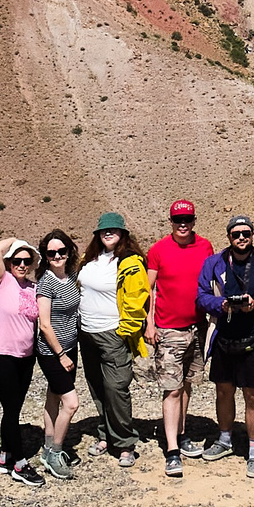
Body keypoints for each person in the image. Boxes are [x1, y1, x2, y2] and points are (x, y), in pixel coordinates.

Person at [196, 214, 254, 477]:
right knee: (223, 392)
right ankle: (224, 439)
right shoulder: (214, 264)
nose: (241, 238)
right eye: (236, 234)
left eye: (246, 233)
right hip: (223, 337)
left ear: (252, 235)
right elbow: (201, 296)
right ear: (229, 237)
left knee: (253, 397)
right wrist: (219, 304)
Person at [143, 200, 214, 477]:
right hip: (169, 329)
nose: (182, 224)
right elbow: (148, 290)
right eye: (177, 219)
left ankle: (182, 435)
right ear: (170, 221)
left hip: (197, 327)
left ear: (194, 220)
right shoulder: (158, 250)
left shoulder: (205, 246)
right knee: (171, 388)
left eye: (187, 219)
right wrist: (149, 324)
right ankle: (172, 450)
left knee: (186, 385)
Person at [76, 212, 147, 467]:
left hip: (112, 333)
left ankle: (125, 443)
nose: (108, 234)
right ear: (98, 234)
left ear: (123, 234)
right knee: (97, 386)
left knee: (116, 388)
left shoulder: (130, 262)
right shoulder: (89, 260)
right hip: (87, 333)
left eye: (114, 230)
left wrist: (125, 329)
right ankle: (107, 435)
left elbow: (139, 297)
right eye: (104, 231)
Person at [0, 238, 45, 487]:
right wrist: (19, 241)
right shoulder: (2, 281)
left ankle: (4, 456)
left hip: (25, 356)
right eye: (16, 260)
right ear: (9, 263)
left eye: (26, 261)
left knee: (14, 408)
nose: (21, 264)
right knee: (11, 409)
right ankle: (19, 464)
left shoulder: (33, 287)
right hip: (1, 355)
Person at [33, 229, 82, 479]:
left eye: (61, 251)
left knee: (53, 397)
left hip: (71, 347)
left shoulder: (72, 276)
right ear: (45, 255)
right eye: (51, 253)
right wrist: (61, 354)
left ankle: (47, 444)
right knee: (71, 403)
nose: (57, 256)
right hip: (53, 352)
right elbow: (45, 324)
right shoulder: (46, 283)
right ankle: (55, 452)